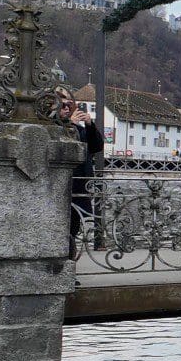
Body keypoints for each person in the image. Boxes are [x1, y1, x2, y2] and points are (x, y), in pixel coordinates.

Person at [65, 100, 103, 260]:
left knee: (73, 230)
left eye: (69, 105)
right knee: (62, 232)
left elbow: (96, 146)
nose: (66, 109)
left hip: (79, 187)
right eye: (62, 106)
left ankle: (70, 268)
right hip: (63, 188)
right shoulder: (60, 129)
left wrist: (89, 124)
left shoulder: (80, 130)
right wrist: (70, 126)